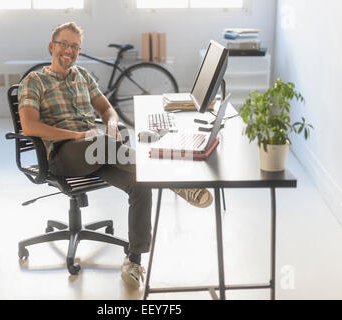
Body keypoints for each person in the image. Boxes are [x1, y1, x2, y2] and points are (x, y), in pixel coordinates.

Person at [18, 22, 213, 289]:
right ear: (52, 46)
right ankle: (174, 180)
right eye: (64, 44)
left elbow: (107, 110)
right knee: (100, 143)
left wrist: (111, 126)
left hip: (97, 151)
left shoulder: (83, 76)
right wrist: (76, 136)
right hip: (64, 155)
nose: (69, 50)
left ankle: (133, 260)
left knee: (140, 181)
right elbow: (30, 127)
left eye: (75, 46)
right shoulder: (34, 81)